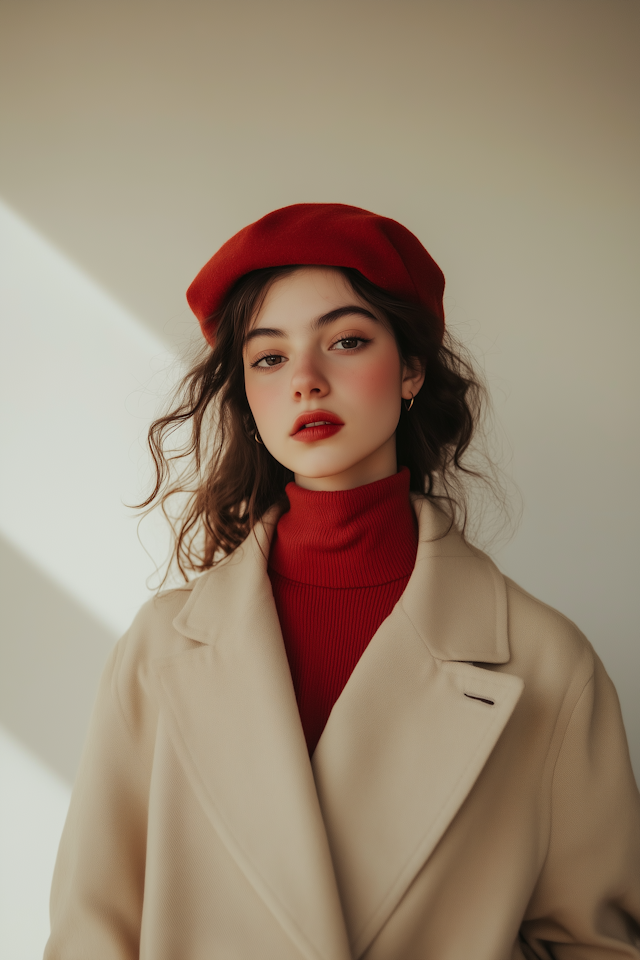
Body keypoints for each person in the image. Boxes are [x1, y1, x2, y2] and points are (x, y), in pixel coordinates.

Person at [45, 204, 640, 959]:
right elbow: (92, 934)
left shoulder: (547, 661)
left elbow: (596, 943)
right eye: (268, 358)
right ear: (247, 399)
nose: (306, 381)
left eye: (348, 341)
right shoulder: (161, 648)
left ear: (412, 370)